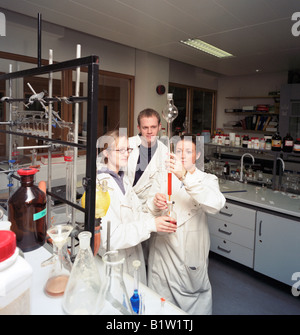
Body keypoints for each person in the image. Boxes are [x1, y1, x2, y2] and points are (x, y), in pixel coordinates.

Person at [147, 133, 226, 314]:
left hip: (189, 255)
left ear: (197, 155)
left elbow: (216, 204)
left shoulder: (207, 180)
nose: (182, 155)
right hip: (163, 253)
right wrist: (155, 202)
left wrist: (184, 176)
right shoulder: (164, 177)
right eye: (179, 150)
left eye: (188, 151)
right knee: (160, 306)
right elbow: (149, 207)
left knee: (192, 307)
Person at [96, 129, 177, 284]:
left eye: (128, 149)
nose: (126, 153)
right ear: (106, 153)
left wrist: (155, 208)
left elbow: (137, 213)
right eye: (121, 150)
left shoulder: (123, 179)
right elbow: (110, 238)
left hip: (132, 258)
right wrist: (151, 225)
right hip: (116, 263)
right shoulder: (101, 186)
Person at [127, 108, 168, 212]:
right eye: (145, 127)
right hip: (124, 202)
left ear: (159, 127)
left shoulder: (165, 152)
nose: (150, 131)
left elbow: (163, 184)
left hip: (147, 208)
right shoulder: (126, 144)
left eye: (153, 127)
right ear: (139, 128)